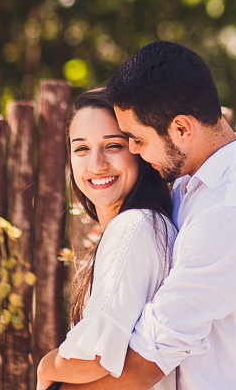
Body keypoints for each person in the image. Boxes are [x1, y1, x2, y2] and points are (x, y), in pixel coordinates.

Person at [67, 40, 236, 390]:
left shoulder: (234, 207)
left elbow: (149, 358)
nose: (133, 150)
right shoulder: (193, 187)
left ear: (181, 129)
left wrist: (50, 375)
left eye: (136, 139)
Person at [36, 88, 179, 390]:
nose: (96, 164)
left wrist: (46, 366)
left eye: (113, 146)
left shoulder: (134, 226)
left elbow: (97, 355)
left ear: (139, 150)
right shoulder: (153, 225)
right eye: (81, 149)